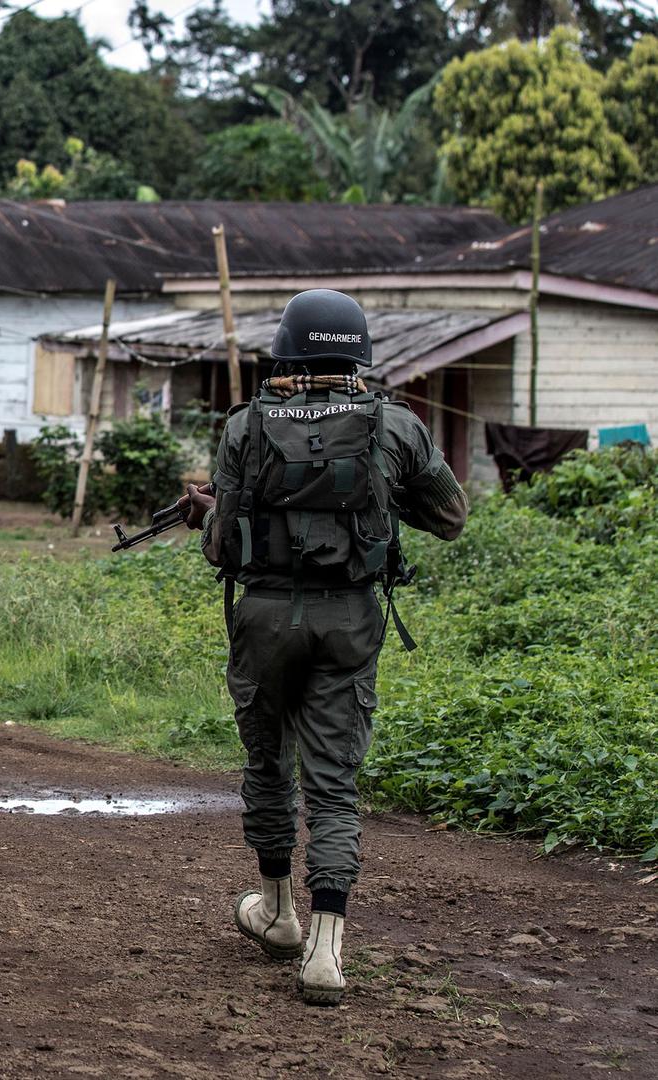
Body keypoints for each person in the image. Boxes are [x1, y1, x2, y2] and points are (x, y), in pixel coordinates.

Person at [178, 289, 468, 1005]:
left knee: (267, 763)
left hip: (265, 617)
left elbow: (223, 545)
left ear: (287, 350)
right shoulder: (395, 425)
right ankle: (324, 955)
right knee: (333, 782)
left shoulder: (244, 426)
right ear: (359, 353)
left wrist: (217, 517)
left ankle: (277, 915)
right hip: (347, 620)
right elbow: (451, 518)